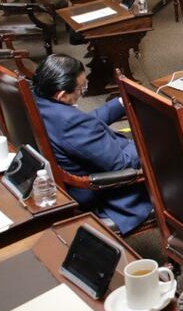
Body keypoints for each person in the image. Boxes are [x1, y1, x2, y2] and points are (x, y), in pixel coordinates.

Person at [32, 54, 153, 233]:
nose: (83, 92)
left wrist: (120, 103)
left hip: (81, 167)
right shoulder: (70, 123)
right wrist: (149, 139)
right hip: (105, 193)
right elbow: (123, 163)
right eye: (81, 88)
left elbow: (83, 125)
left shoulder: (38, 99)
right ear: (62, 95)